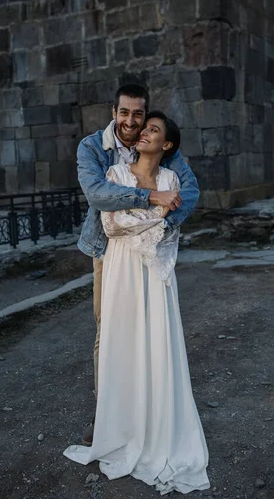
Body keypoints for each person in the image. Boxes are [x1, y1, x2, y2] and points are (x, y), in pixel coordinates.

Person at [64, 111, 210, 495]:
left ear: (168, 145)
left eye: (153, 129)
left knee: (157, 344)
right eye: (143, 127)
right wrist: (155, 211)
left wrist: (149, 216)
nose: (143, 131)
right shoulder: (116, 175)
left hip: (158, 270)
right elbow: (111, 225)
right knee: (122, 341)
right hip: (121, 268)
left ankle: (159, 426)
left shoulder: (173, 178)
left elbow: (170, 230)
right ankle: (120, 425)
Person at [75, 84, 200, 444]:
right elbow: (99, 196)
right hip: (109, 252)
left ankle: (152, 406)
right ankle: (109, 414)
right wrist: (152, 199)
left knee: (153, 329)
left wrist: (164, 223)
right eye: (125, 113)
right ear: (114, 112)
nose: (133, 122)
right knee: (109, 329)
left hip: (154, 250)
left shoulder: (160, 148)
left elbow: (187, 191)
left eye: (139, 115)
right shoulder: (93, 147)